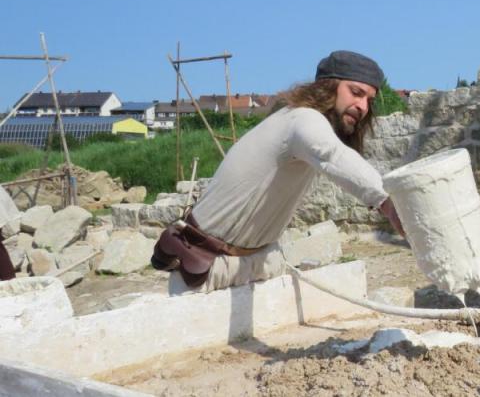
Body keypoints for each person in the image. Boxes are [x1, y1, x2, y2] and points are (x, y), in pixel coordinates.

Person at [152, 50, 403, 292]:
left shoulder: (300, 122)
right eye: (356, 93)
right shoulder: (303, 119)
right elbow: (333, 156)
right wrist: (389, 202)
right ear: (328, 87)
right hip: (207, 267)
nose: (363, 107)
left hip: (256, 264)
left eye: (369, 100)